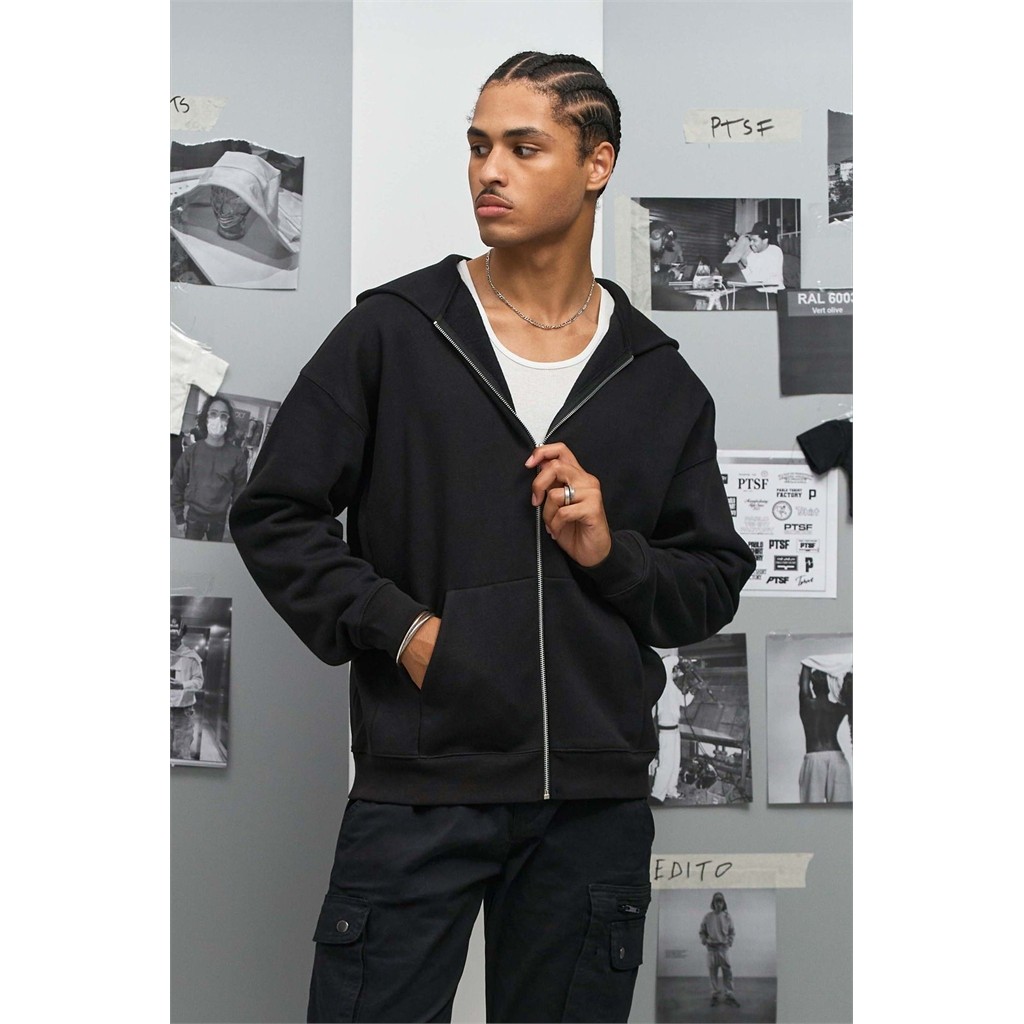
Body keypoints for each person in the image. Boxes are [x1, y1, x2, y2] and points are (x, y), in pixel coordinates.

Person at [230, 51, 754, 1024]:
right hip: (422, 785)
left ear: (596, 163)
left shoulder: (659, 378)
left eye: (523, 147)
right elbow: (274, 513)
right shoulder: (394, 332)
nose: (489, 171)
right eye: (478, 147)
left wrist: (611, 553)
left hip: (591, 808)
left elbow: (710, 583)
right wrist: (403, 630)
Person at [171, 395, 248, 542]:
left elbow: (239, 491)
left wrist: (233, 520)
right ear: (205, 418)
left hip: (219, 521)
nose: (218, 419)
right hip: (194, 517)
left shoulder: (237, 457)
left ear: (228, 421)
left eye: (223, 415)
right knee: (191, 555)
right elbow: (178, 484)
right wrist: (179, 518)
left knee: (213, 555)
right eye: (213, 413)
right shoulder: (192, 452)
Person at [797, 655, 853, 803]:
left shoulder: (806, 704)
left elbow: (804, 683)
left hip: (814, 758)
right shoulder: (839, 708)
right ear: (829, 685)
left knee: (811, 810)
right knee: (841, 810)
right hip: (837, 759)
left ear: (812, 686)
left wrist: (808, 662)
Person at [650, 654, 694, 803]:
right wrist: (680, 659)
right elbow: (665, 663)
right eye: (675, 670)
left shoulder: (672, 687)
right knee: (666, 765)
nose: (678, 673)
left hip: (675, 731)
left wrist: (693, 691)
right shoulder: (663, 683)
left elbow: (684, 702)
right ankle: (656, 796)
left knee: (675, 763)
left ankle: (671, 790)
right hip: (666, 732)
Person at [170, 613, 204, 760]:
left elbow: (199, 682)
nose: (172, 638)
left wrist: (182, 685)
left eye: (175, 635)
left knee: (181, 753)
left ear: (182, 634)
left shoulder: (191, 657)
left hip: (183, 712)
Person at [699, 892, 740, 1008]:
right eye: (716, 902)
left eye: (720, 902)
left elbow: (732, 932)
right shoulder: (708, 917)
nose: (718, 904)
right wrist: (704, 940)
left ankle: (729, 995)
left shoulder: (727, 917)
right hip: (712, 949)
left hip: (723, 949)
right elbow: (702, 931)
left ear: (723, 903)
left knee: (728, 972)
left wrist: (729, 942)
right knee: (713, 973)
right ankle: (715, 995)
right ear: (713, 903)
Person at [739, 220, 784, 289]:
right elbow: (749, 271)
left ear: (765, 240)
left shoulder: (775, 251)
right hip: (756, 290)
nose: (751, 243)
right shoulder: (752, 254)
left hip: (772, 291)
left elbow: (763, 276)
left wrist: (743, 279)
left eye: (754, 240)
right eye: (750, 240)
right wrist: (736, 275)